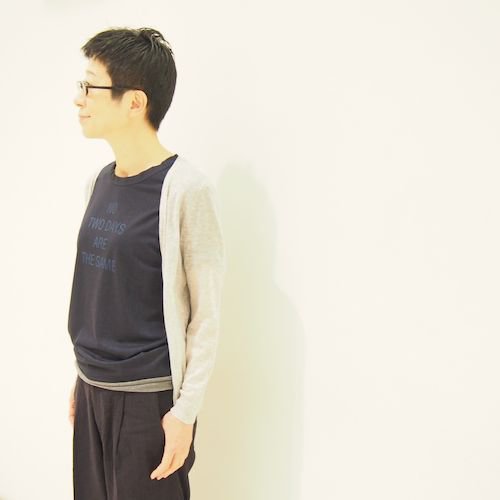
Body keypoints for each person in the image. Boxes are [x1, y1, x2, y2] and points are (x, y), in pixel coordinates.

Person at [67, 27, 225, 500]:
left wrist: (185, 413)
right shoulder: (99, 182)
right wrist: (82, 378)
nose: (79, 99)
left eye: (91, 86)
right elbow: (101, 294)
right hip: (92, 390)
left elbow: (206, 316)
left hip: (147, 403)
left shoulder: (185, 189)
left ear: (135, 101)